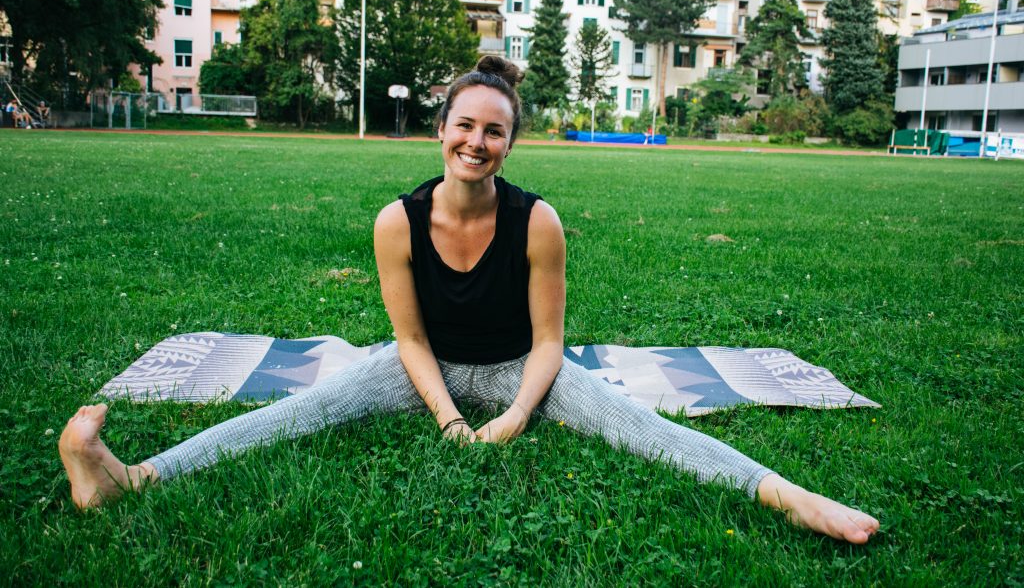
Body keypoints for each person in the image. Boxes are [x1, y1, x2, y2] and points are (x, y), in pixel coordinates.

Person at [59, 56, 879, 544]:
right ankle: (128, 477)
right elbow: (409, 339)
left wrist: (518, 412)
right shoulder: (396, 221)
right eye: (465, 126)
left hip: (525, 370)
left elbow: (553, 342)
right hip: (422, 371)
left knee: (644, 431)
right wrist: (449, 417)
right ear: (441, 128)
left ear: (510, 142)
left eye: (495, 131)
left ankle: (793, 498)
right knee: (295, 413)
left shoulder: (539, 220)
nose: (476, 143)